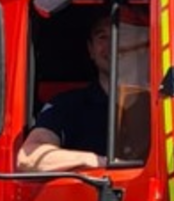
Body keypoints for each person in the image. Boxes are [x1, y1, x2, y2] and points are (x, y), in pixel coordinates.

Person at [17, 16, 114, 172]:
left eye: (122, 34)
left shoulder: (160, 102)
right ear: (91, 50)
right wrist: (96, 161)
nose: (112, 45)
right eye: (102, 37)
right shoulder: (67, 105)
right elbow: (28, 158)